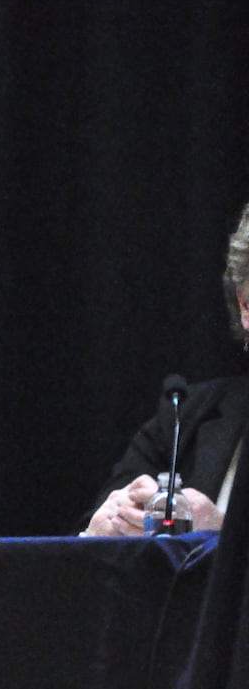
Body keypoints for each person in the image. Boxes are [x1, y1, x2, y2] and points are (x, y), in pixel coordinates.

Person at [82, 202, 249, 536]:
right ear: (245, 306)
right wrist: (101, 534)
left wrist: (222, 539)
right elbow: (86, 554)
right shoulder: (183, 416)